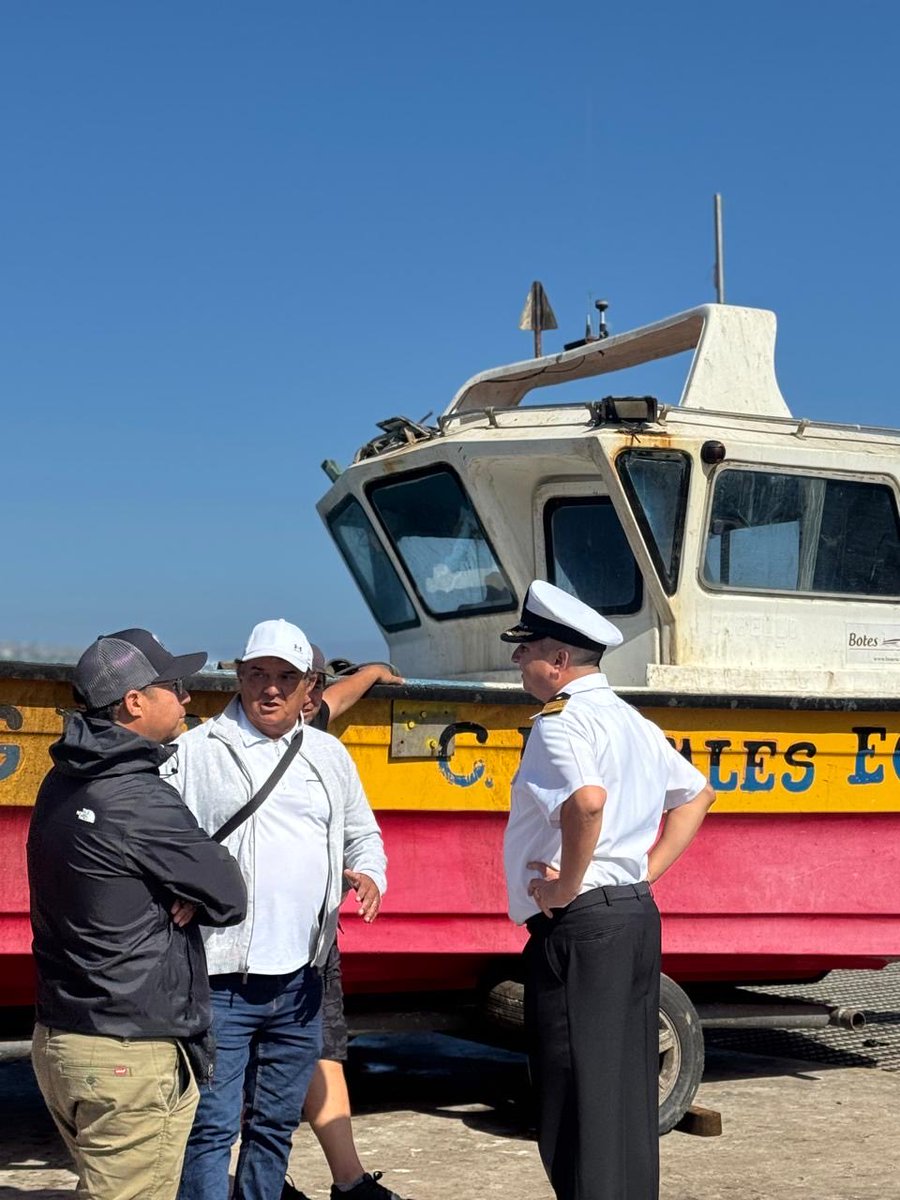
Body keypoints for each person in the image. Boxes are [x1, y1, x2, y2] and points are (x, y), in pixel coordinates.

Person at [501, 581, 716, 1200]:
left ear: (560, 661)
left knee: (575, 1103)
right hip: (632, 915)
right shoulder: (632, 720)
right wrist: (644, 872)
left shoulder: (558, 724)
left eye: (527, 648)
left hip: (583, 927)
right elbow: (699, 794)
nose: (518, 659)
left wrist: (565, 888)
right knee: (623, 1095)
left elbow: (586, 802)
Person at [170, 619, 388, 1200]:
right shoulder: (196, 752)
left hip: (301, 983)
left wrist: (370, 874)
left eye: (285, 678)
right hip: (221, 982)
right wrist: (178, 887)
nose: (270, 688)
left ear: (310, 687)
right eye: (258, 674)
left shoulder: (328, 756)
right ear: (238, 677)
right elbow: (159, 837)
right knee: (211, 1129)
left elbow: (364, 835)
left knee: (273, 1127)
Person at [27, 628, 248, 1200]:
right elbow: (229, 892)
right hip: (130, 1049)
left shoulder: (61, 780)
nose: (187, 699)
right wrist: (192, 885)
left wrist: (177, 886)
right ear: (134, 702)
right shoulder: (138, 796)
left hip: (62, 1039)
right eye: (175, 686)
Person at [289, 644, 408, 1200]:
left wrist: (373, 673)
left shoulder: (313, 728)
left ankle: (349, 1181)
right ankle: (264, 1180)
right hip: (250, 942)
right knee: (248, 1058)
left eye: (301, 683)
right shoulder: (219, 746)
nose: (301, 696)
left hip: (312, 941)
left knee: (322, 1047)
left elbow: (338, 699)